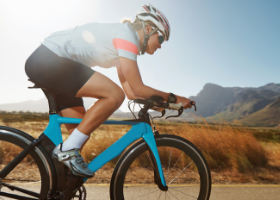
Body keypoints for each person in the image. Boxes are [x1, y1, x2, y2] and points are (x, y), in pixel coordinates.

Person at [25, 4, 193, 178]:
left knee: (80, 133)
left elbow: (132, 93)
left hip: (56, 65)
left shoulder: (124, 47)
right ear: (149, 29)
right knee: (113, 95)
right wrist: (175, 98)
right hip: (48, 60)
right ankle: (66, 151)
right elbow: (137, 88)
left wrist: (159, 103)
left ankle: (57, 186)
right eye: (161, 39)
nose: (160, 45)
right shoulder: (126, 37)